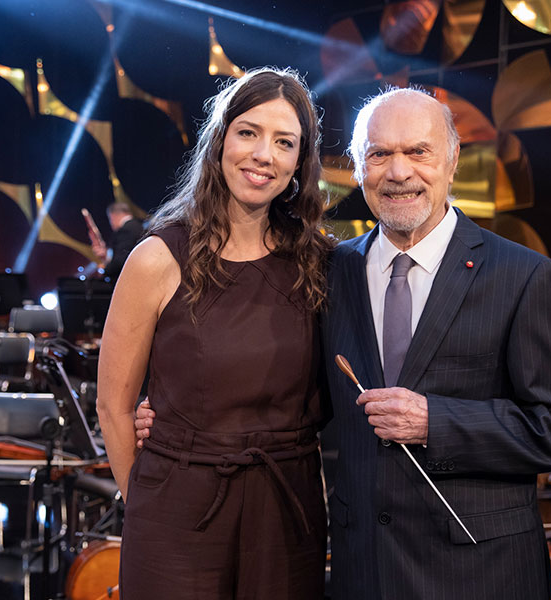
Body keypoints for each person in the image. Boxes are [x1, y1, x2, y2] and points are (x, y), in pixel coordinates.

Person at [137, 87, 551, 599]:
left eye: (417, 152)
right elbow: (294, 389)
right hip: (362, 570)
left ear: (452, 160)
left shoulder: (521, 274)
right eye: (379, 154)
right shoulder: (331, 270)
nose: (398, 172)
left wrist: (435, 422)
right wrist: (180, 415)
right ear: (357, 168)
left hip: (480, 572)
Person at [97, 67, 333, 599]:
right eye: (248, 132)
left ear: (300, 161)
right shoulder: (157, 259)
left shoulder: (320, 262)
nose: (262, 154)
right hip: (178, 513)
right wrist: (150, 506)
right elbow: (113, 407)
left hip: (287, 509)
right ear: (220, 138)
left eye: (284, 142)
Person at [88, 202, 145, 281]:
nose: (111, 223)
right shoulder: (138, 226)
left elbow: (121, 261)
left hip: (127, 280)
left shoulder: (126, 230)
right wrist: (107, 255)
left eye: (110, 219)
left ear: (113, 215)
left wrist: (104, 270)